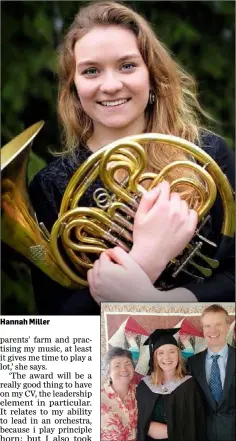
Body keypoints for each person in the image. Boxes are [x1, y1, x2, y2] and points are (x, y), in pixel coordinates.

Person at [28, 1, 235, 314]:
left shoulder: (208, 155)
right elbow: (57, 320)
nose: (111, 85)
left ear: (152, 76)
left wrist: (158, 300)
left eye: (127, 66)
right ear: (75, 88)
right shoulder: (50, 185)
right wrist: (143, 261)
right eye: (91, 71)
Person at [136, 328, 206, 441]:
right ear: (155, 357)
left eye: (172, 351)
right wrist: (146, 427)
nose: (167, 357)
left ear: (178, 355)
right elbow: (138, 421)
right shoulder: (144, 387)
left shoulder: (189, 386)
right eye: (161, 352)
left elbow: (196, 423)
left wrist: (169, 431)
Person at [187, 304, 235, 441]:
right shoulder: (192, 363)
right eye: (207, 326)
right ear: (202, 329)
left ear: (227, 326)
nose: (212, 330)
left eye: (218, 324)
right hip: (203, 433)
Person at [101, 347, 137, 441]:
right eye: (117, 365)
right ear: (108, 372)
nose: (124, 369)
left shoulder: (141, 393)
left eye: (128, 364)